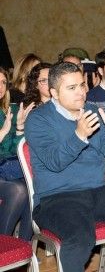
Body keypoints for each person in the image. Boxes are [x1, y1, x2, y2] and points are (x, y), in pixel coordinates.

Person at [24, 62, 105, 271]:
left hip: (99, 192)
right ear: (54, 93)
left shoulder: (92, 111)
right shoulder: (39, 119)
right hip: (57, 199)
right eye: (71, 88)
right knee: (81, 237)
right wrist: (79, 135)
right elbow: (54, 162)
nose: (80, 93)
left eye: (82, 85)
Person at [0, 67, 34, 241]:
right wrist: (3, 133)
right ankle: (4, 248)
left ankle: (23, 248)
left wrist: (20, 127)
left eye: (4, 82)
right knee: (18, 190)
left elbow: (14, 149)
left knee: (33, 189)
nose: (0, 86)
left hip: (9, 168)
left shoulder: (8, 110)